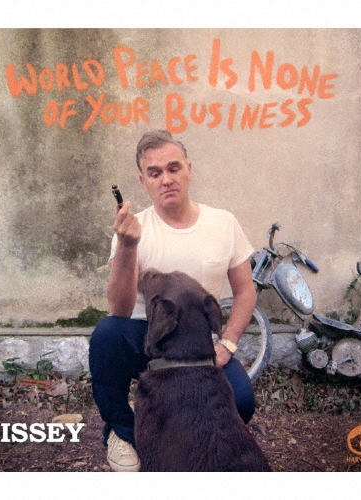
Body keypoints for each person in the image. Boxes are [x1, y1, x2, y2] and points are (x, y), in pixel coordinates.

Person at [89, 130, 257, 472]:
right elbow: (120, 309)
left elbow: (245, 291)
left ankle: (180, 433)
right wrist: (128, 247)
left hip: (197, 343)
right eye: (154, 173)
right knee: (107, 334)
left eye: (173, 168)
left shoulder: (223, 223)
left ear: (189, 170)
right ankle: (122, 430)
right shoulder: (133, 229)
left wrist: (228, 343)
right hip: (146, 338)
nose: (166, 179)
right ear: (143, 181)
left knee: (240, 402)